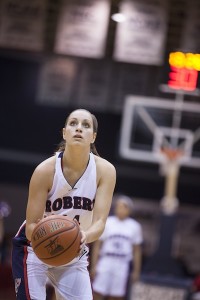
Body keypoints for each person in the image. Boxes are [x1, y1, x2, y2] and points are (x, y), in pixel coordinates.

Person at [12, 108, 116, 300]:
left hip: (74, 250)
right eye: (73, 123)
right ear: (64, 132)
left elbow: (100, 222)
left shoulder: (105, 171)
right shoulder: (45, 170)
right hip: (34, 248)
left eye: (86, 125)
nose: (79, 128)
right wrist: (53, 236)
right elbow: (31, 227)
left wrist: (82, 236)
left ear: (93, 137)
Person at [91, 194, 143, 300]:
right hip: (106, 260)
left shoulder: (135, 226)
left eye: (124, 207)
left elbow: (137, 250)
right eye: (118, 206)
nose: (120, 209)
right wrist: (94, 265)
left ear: (129, 210)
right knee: (97, 291)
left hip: (122, 263)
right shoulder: (107, 222)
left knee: (117, 295)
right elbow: (97, 246)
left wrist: (136, 270)